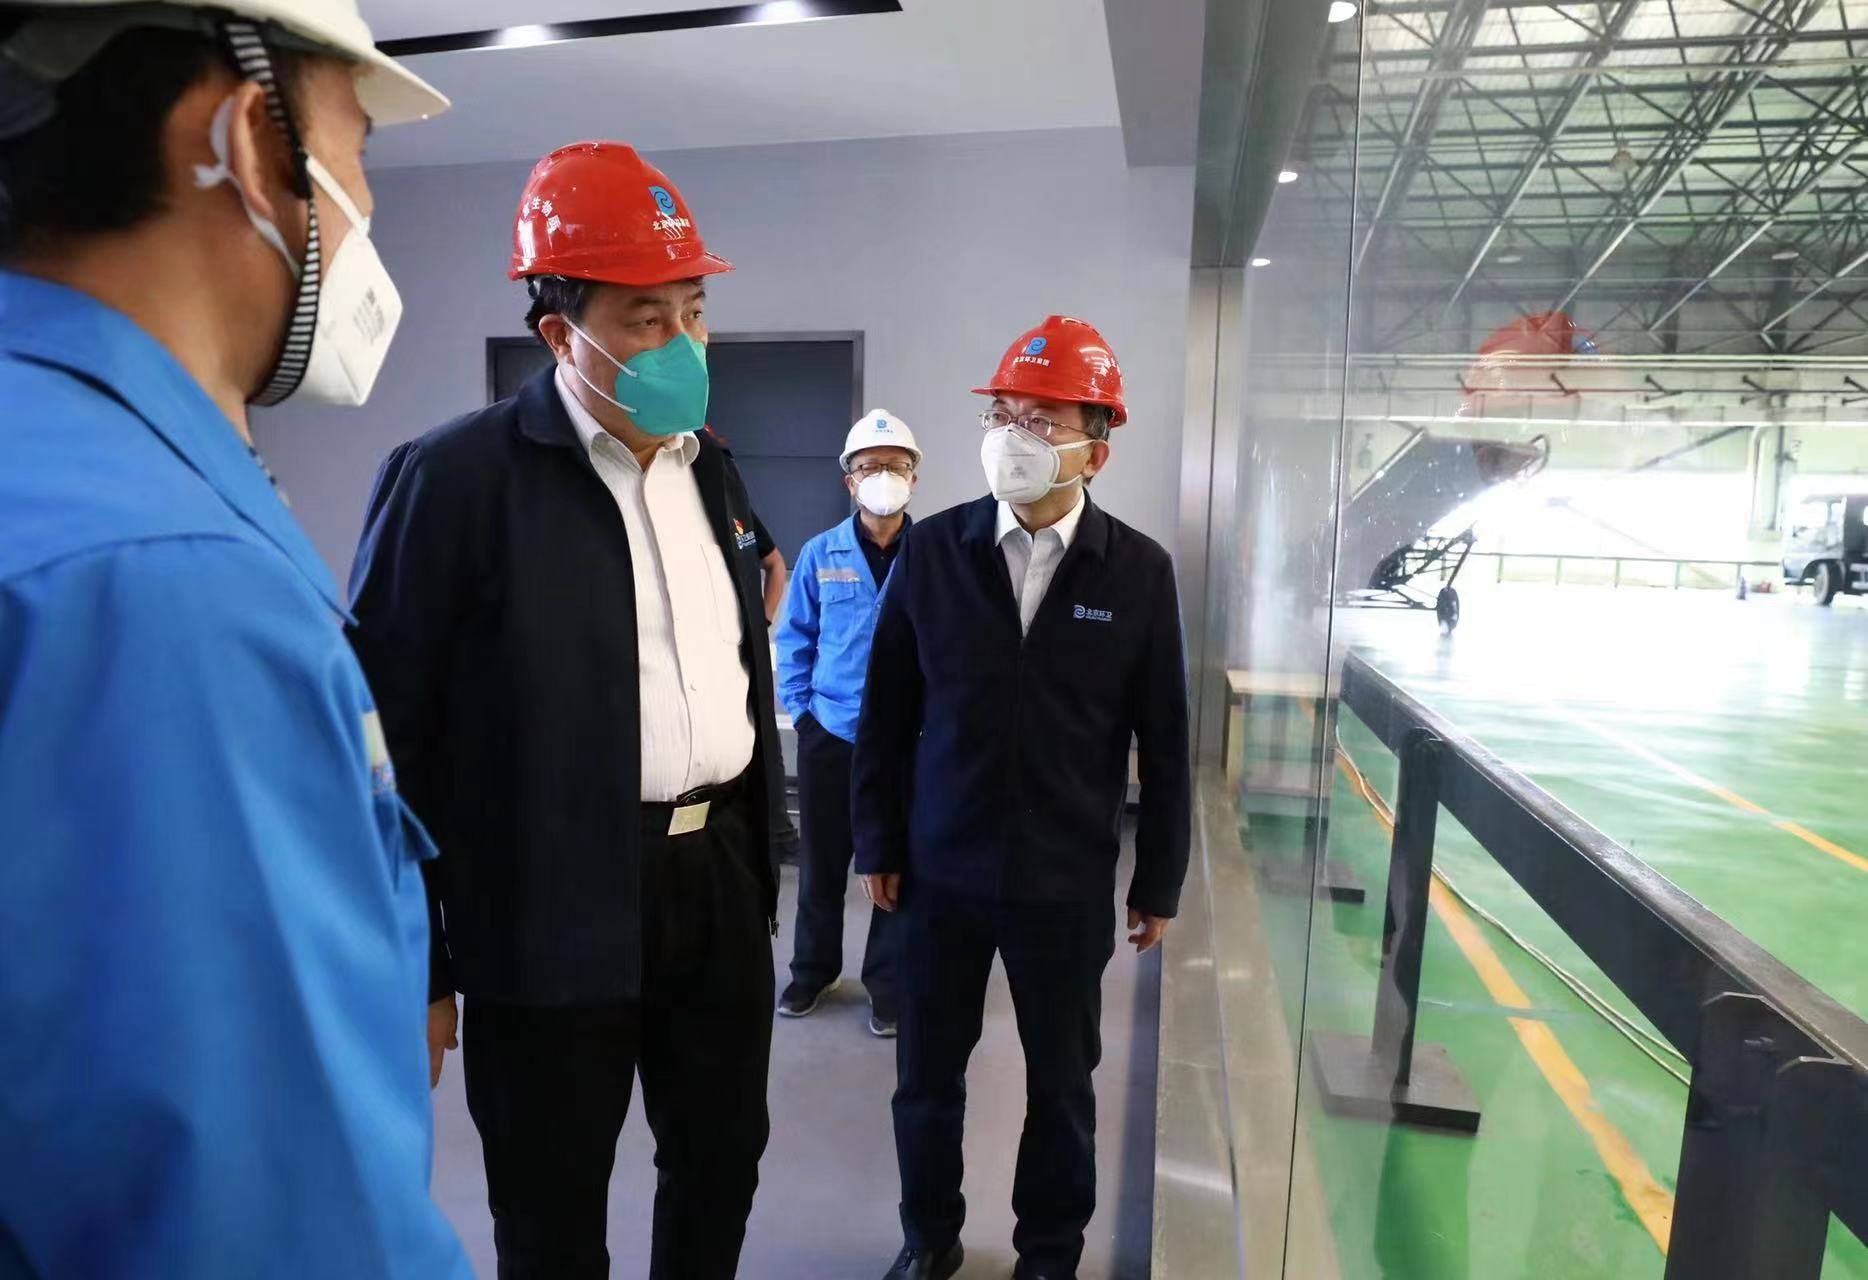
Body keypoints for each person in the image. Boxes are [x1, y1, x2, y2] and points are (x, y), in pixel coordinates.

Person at [0, 3, 468, 1277]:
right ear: (252, 143)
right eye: (356, 144)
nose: (364, 208)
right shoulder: (165, 582)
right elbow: (268, 1223)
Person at [348, 141, 782, 1280]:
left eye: (694, 311)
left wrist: (757, 867)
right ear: (559, 334)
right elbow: (382, 737)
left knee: (721, 1163)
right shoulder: (455, 481)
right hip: (541, 900)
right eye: (646, 318)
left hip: (716, 879)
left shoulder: (713, 471)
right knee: (549, 1205)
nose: (684, 343)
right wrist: (418, 959)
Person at [852, 317, 1192, 1280]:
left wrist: (1158, 881)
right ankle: (930, 1238)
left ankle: (1049, 1252)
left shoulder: (1138, 571)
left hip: (1065, 876)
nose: (1014, 434)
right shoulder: (934, 551)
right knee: (926, 1079)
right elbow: (886, 711)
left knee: (1063, 1084)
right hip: (939, 871)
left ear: (1097, 448)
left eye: (1041, 418)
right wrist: (878, 841)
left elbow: (1167, 740)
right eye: (1003, 413)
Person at [774, 409, 922, 1037]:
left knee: (895, 863)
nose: (882, 475)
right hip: (831, 734)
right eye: (869, 466)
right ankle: (813, 971)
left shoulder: (934, 553)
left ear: (913, 476)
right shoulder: (819, 552)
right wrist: (804, 715)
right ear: (849, 480)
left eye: (895, 465)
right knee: (822, 863)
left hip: (907, 742)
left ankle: (887, 985)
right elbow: (795, 639)